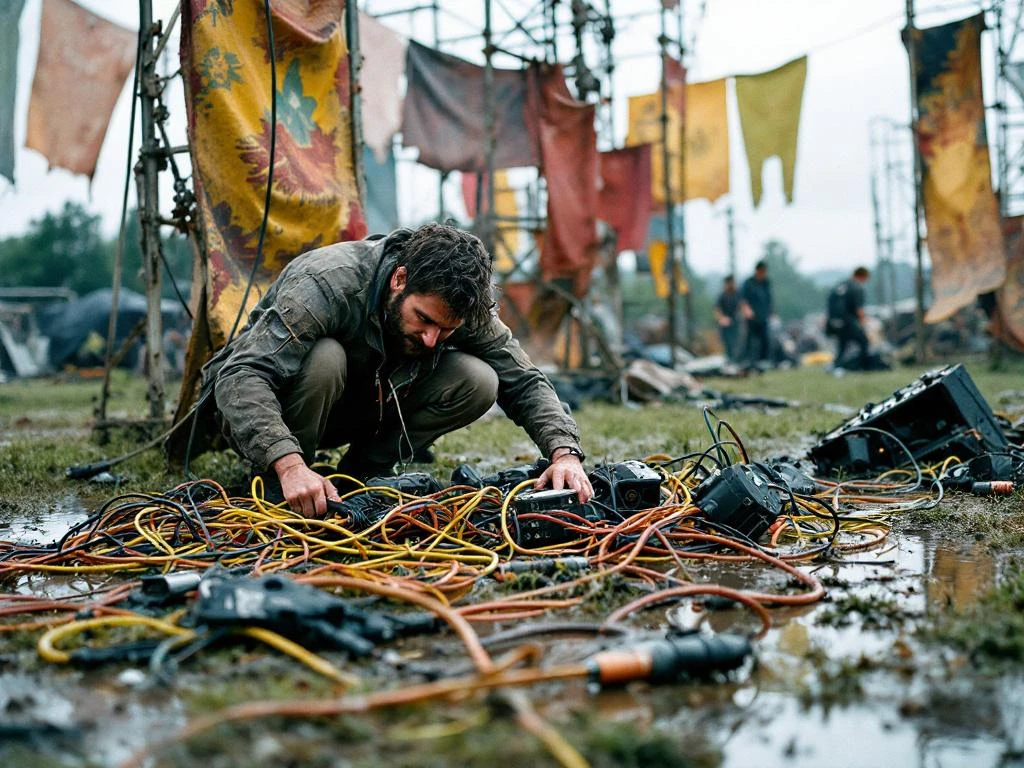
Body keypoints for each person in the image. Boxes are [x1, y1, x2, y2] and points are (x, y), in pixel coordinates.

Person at [200, 223, 593, 518]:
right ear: (399, 279)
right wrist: (288, 465)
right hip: (283, 412)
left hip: (365, 405)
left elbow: (522, 379)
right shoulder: (326, 281)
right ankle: (284, 484)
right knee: (326, 358)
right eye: (424, 319)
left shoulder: (464, 305)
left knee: (479, 380)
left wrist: (565, 455)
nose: (431, 340)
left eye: (447, 330)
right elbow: (241, 376)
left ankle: (363, 476)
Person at [826, 266, 871, 371]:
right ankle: (864, 366)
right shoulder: (857, 287)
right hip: (847, 320)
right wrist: (863, 324)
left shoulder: (841, 285)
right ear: (863, 277)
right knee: (863, 341)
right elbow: (859, 309)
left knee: (842, 344)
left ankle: (837, 365)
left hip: (834, 321)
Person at [739, 260, 774, 369]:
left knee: (765, 339)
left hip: (763, 316)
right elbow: (742, 299)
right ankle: (747, 361)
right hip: (751, 317)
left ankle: (763, 361)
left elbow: (769, 299)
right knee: (750, 340)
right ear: (757, 270)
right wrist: (746, 310)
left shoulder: (766, 282)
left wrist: (771, 312)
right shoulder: (748, 283)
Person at [713, 275, 741, 362]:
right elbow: (717, 309)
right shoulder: (722, 295)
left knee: (736, 343)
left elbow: (742, 306)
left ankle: (736, 360)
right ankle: (729, 360)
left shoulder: (737, 294)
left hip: (735, 322)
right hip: (724, 323)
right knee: (727, 343)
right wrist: (722, 318)